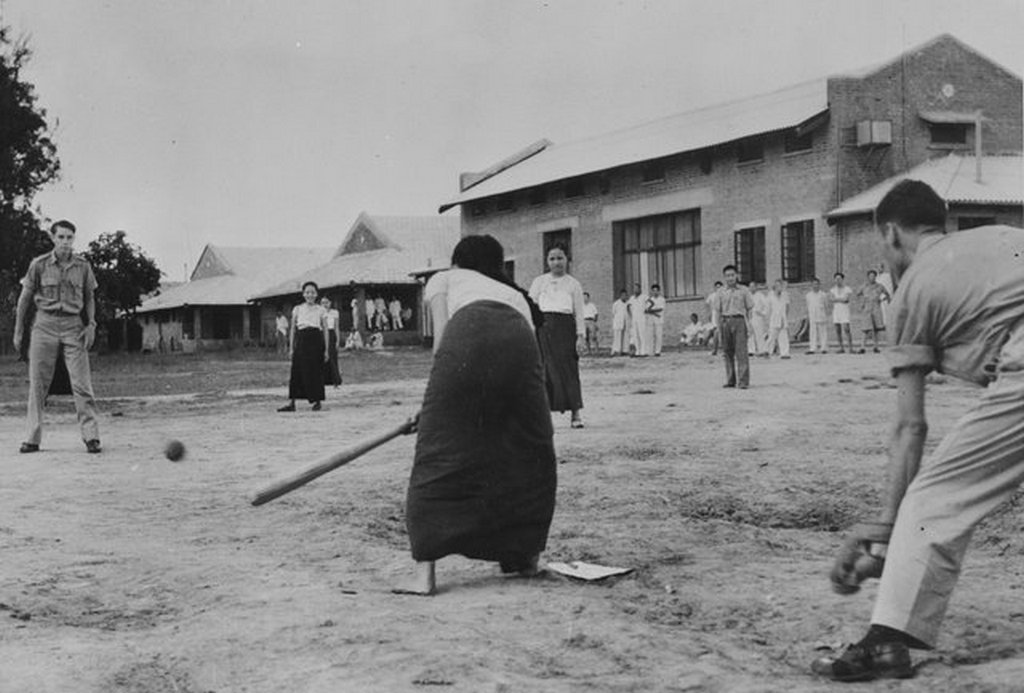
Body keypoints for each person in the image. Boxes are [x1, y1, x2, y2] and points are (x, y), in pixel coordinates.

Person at [811, 180, 1024, 682]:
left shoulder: (911, 290)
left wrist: (888, 527)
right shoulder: (1000, 234)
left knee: (934, 498)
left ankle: (886, 643)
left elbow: (911, 426)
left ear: (890, 233)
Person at [394, 235, 556, 596]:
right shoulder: (515, 294)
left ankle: (425, 577)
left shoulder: (444, 279)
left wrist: (433, 405)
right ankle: (524, 558)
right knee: (527, 450)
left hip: (466, 337)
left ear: (457, 262)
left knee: (441, 450)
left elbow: (442, 340)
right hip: (521, 348)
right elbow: (528, 358)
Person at [13, 220, 101, 454]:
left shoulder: (83, 266)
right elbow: (24, 299)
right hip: (45, 325)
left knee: (82, 384)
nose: (65, 242)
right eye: (61, 237)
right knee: (38, 384)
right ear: (53, 238)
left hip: (74, 326)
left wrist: (91, 323)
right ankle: (32, 438)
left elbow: (90, 297)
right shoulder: (39, 265)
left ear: (74, 239)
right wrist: (19, 331)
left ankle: (91, 437)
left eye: (69, 237)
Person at [530, 244, 586, 428]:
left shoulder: (573, 284)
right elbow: (531, 308)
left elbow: (579, 312)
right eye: (552, 258)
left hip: (565, 330)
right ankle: (543, 417)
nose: (556, 262)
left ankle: (575, 413)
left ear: (567, 260)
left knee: (568, 370)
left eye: (560, 258)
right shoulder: (539, 282)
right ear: (547, 261)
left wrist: (580, 336)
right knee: (544, 371)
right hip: (543, 330)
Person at [278, 281, 328, 412]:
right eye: (307, 292)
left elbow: (326, 330)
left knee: (315, 371)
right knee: (297, 371)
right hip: (301, 340)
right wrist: (291, 347)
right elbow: (293, 330)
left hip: (316, 340)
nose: (310, 295)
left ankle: (317, 401)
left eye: (312, 292)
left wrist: (327, 349)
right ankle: (292, 403)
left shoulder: (321, 310)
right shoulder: (298, 309)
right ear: (303, 294)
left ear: (316, 294)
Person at [711, 265, 753, 389]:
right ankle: (730, 380)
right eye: (727, 276)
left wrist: (749, 323)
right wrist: (718, 327)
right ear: (724, 277)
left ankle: (743, 381)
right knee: (727, 352)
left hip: (739, 321)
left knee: (741, 352)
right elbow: (717, 311)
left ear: (737, 276)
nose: (730, 278)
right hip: (725, 321)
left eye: (732, 275)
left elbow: (750, 308)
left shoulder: (744, 290)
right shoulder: (720, 292)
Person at [855, 269, 891, 354]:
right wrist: (861, 303)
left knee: (876, 328)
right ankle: (862, 347)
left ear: (875, 277)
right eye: (870, 276)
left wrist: (882, 300)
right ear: (868, 277)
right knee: (865, 329)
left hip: (876, 307)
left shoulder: (880, 286)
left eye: (873, 276)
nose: (872, 278)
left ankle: (875, 347)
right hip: (867, 308)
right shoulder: (864, 286)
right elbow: (857, 294)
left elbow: (888, 295)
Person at [764, 280, 791, 359]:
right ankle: (767, 351)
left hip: (782, 318)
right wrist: (767, 319)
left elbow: (787, 306)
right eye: (778, 286)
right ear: (775, 287)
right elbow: (768, 309)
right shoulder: (770, 296)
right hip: (773, 318)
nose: (780, 288)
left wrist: (785, 317)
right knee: (772, 336)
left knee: (783, 336)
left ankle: (785, 353)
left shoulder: (785, 295)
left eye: (781, 286)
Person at [320, 296, 343, 388]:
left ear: (330, 303)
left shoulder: (335, 312)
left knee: (332, 357)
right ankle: (324, 380)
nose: (325, 304)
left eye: (326, 302)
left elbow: (336, 327)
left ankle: (335, 380)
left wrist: (338, 340)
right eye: (322, 303)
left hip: (331, 333)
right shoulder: (319, 312)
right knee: (322, 357)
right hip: (322, 334)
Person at [830, 273, 854, 353]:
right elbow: (832, 299)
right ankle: (841, 347)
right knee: (838, 330)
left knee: (846, 329)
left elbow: (846, 300)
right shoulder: (832, 290)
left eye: (839, 279)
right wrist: (841, 299)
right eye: (836, 279)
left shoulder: (847, 289)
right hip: (836, 311)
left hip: (844, 311)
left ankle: (850, 348)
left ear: (842, 279)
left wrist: (837, 299)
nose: (838, 281)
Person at [805, 278, 829, 354]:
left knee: (823, 332)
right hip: (812, 315)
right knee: (812, 332)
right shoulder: (808, 295)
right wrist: (808, 316)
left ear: (819, 285)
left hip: (821, 315)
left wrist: (826, 314)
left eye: (817, 284)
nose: (815, 286)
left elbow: (826, 305)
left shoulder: (823, 294)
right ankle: (812, 348)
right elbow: (808, 305)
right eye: (814, 284)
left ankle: (824, 348)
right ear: (811, 285)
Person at [748, 282, 770, 357]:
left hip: (758, 317)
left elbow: (766, 306)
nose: (752, 288)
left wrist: (762, 313)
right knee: (750, 334)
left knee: (759, 333)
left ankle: (761, 350)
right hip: (750, 316)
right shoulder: (748, 296)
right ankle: (751, 350)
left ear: (756, 287)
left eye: (753, 286)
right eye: (750, 287)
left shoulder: (760, 295)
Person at [627, 282, 648, 357]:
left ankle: (643, 351)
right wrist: (631, 315)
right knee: (635, 335)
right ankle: (637, 351)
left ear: (640, 289)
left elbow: (650, 304)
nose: (635, 290)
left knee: (642, 334)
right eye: (634, 288)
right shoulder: (632, 298)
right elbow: (628, 306)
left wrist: (646, 311)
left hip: (642, 318)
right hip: (634, 318)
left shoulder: (644, 297)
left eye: (637, 288)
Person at [645, 283, 666, 356]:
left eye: (656, 290)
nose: (655, 292)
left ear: (659, 291)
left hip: (659, 320)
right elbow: (647, 309)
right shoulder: (650, 300)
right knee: (650, 335)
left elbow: (660, 309)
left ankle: (657, 351)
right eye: (653, 291)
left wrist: (652, 311)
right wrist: (650, 311)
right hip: (651, 320)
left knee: (658, 336)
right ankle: (650, 351)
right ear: (651, 291)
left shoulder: (662, 299)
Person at [706, 281, 724, 355]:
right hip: (715, 314)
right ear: (714, 288)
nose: (718, 289)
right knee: (716, 332)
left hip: (723, 314)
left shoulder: (724, 295)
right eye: (717, 287)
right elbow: (708, 305)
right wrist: (710, 314)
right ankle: (715, 350)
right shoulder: (712, 296)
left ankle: (724, 351)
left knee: (723, 333)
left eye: (720, 287)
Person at [610, 289, 629, 356]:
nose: (624, 296)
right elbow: (613, 313)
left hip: (625, 322)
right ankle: (616, 350)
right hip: (618, 323)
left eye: (625, 295)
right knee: (617, 337)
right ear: (620, 295)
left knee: (625, 337)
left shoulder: (627, 303)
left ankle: (625, 350)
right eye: (623, 295)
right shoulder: (616, 304)